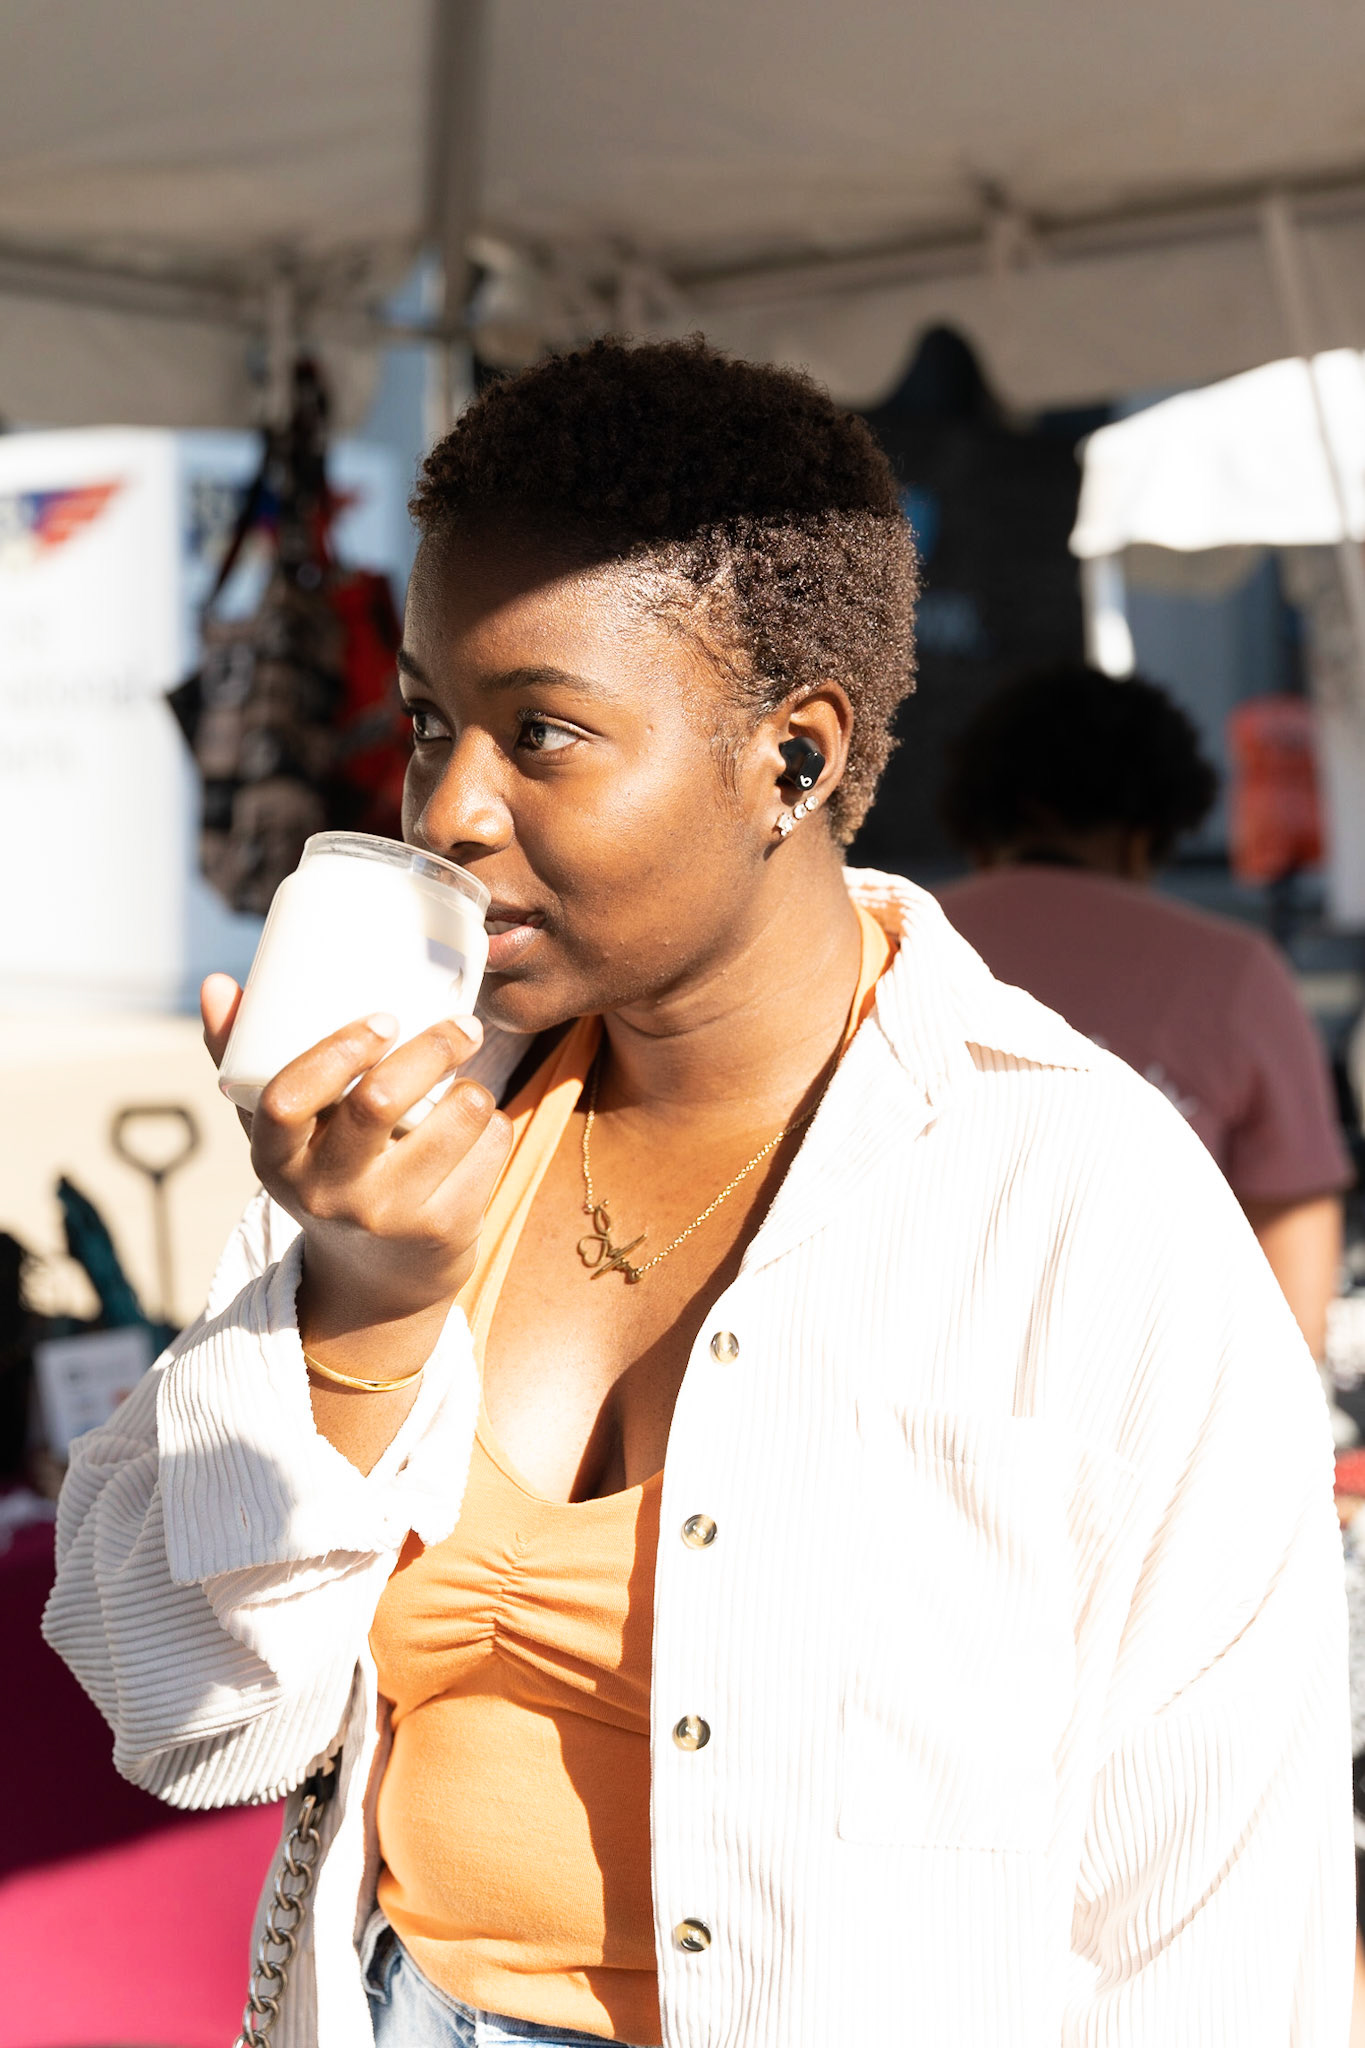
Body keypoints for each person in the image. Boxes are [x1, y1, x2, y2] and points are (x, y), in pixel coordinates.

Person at [44, 341, 1350, 2048]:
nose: (449, 808)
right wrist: (358, 1308)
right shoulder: (407, 1135)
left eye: (543, 732)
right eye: (431, 720)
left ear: (792, 759)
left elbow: (1212, 1929)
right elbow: (182, 1718)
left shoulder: (1080, 1205)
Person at [937, 664, 1352, 1361]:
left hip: (906, 1397)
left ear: (976, 824)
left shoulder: (876, 942)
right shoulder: (1234, 972)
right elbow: (1293, 1276)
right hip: (1151, 1395)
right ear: (1147, 834)